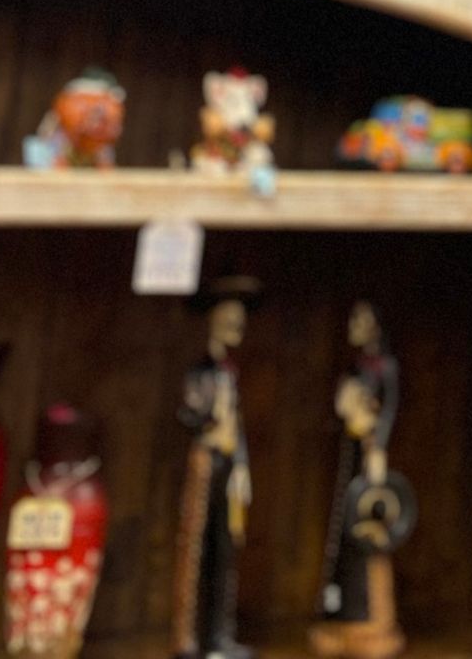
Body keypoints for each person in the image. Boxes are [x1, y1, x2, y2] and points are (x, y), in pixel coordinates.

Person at [312, 302, 415, 658]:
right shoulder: (354, 368)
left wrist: (377, 447)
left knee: (368, 531)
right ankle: (343, 613)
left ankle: (370, 615)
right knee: (345, 533)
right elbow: (344, 407)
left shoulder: (384, 367)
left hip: (371, 456)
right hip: (352, 455)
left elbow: (386, 408)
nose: (354, 325)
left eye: (360, 319)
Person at [171, 276, 259, 659]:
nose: (236, 328)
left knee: (225, 549)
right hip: (205, 462)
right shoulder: (202, 372)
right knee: (195, 549)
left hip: (226, 464)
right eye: (229, 318)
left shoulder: (229, 373)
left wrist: (241, 467)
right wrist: (209, 415)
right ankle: (188, 638)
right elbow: (190, 412)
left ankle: (219, 635)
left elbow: (235, 426)